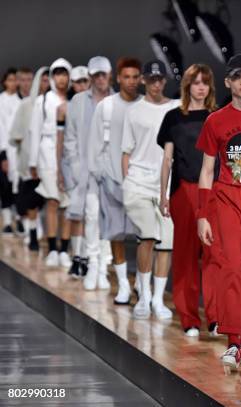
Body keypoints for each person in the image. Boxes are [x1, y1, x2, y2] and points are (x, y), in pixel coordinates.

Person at [196, 54, 241, 369]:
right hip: (226, 200)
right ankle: (232, 340)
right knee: (231, 267)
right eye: (236, 76)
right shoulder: (215, 120)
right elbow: (207, 169)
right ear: (227, 82)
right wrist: (202, 215)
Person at [157, 63, 217, 336]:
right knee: (185, 255)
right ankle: (189, 317)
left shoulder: (217, 116)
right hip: (182, 189)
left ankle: (216, 316)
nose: (201, 87)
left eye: (205, 82)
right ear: (188, 86)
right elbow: (167, 160)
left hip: (214, 191)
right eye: (196, 82)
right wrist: (162, 194)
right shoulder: (173, 117)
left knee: (215, 255)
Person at [121, 60, 179, 319]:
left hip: (167, 184)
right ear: (144, 80)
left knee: (165, 242)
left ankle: (157, 299)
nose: (156, 83)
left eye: (160, 79)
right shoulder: (134, 111)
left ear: (164, 80)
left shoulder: (177, 108)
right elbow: (126, 150)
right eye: (151, 79)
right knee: (146, 237)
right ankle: (143, 295)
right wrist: (127, 181)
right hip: (139, 181)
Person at [89, 57, 142, 305]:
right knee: (116, 235)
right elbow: (95, 143)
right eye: (126, 76)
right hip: (111, 179)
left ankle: (142, 284)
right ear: (118, 78)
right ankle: (123, 285)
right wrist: (101, 175)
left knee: (145, 237)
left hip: (141, 182)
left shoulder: (146, 105)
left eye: (135, 76)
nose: (131, 81)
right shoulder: (106, 106)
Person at [59, 56, 113, 286]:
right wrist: (76, 167)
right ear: (91, 76)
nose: (100, 78)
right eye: (96, 74)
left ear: (109, 74)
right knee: (90, 217)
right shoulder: (78, 102)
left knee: (110, 221)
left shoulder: (118, 100)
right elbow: (70, 138)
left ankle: (103, 267)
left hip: (113, 172)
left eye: (103, 74)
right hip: (86, 171)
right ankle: (91, 263)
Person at [29, 58, 73, 267]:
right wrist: (32, 161)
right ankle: (52, 248)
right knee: (52, 201)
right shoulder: (44, 100)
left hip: (70, 155)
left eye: (65, 73)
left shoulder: (75, 99)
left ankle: (64, 249)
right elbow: (34, 130)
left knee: (67, 203)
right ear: (53, 76)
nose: (61, 78)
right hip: (47, 153)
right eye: (57, 73)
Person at [9, 67, 49, 251]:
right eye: (43, 80)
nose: (46, 84)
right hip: (30, 161)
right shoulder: (26, 105)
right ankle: (33, 233)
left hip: (51, 161)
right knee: (31, 201)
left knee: (52, 201)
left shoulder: (58, 104)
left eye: (49, 80)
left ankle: (53, 241)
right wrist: (28, 145)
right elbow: (15, 133)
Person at [0, 68, 23, 234]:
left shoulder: (21, 101)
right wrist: (3, 155)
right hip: (5, 149)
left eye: (15, 80)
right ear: (4, 82)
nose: (13, 83)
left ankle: (19, 219)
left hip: (20, 151)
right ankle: (7, 222)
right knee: (5, 186)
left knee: (19, 186)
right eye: (10, 80)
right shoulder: (0, 101)